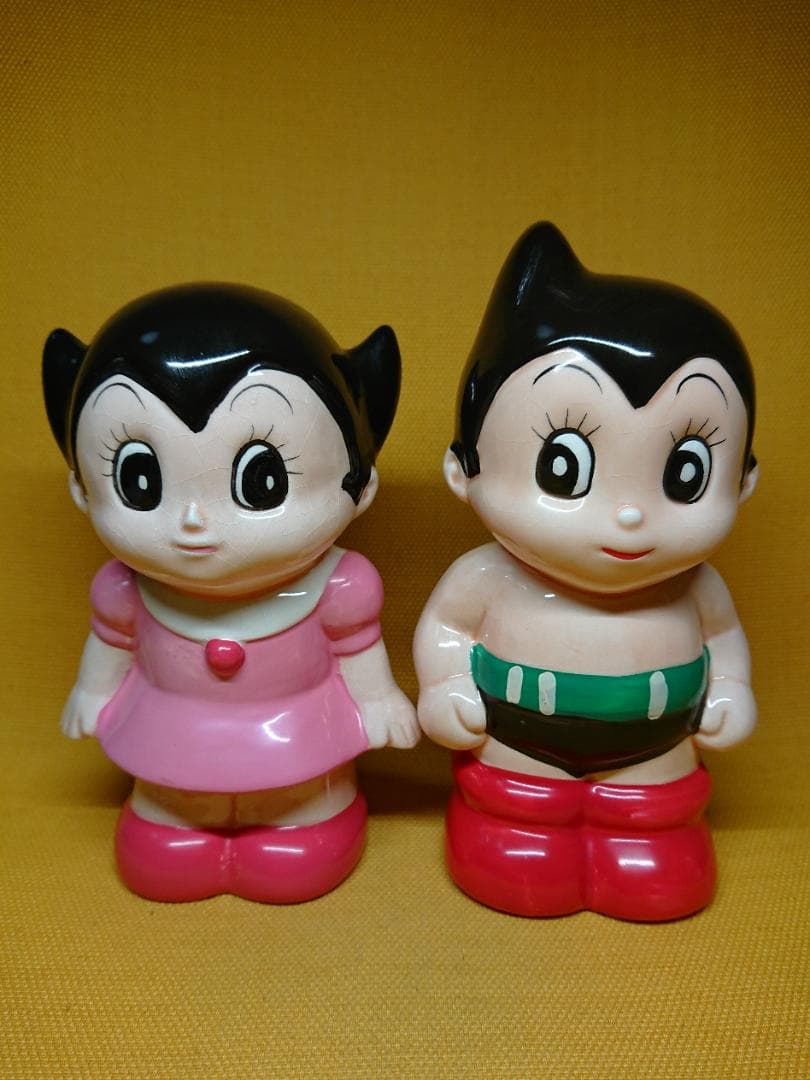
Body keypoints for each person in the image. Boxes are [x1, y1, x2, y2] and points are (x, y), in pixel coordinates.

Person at [414, 223, 757, 921]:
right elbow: (447, 627)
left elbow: (722, 638)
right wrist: (445, 684)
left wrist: (730, 688)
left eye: (684, 475)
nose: (628, 516)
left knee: (656, 847)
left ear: (742, 482)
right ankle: (512, 836)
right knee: (517, 834)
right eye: (563, 468)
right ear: (464, 468)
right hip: (518, 750)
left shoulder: (694, 587)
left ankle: (650, 842)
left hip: (655, 755)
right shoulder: (489, 576)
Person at [44, 282, 418, 903]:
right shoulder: (126, 589)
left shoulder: (339, 586)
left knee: (299, 820)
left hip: (297, 729)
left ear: (359, 485)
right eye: (140, 480)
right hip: (172, 727)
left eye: (263, 481)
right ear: (83, 490)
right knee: (166, 827)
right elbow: (111, 643)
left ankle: (302, 820)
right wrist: (92, 690)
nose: (193, 522)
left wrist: (378, 700)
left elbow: (358, 651)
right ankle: (178, 823)